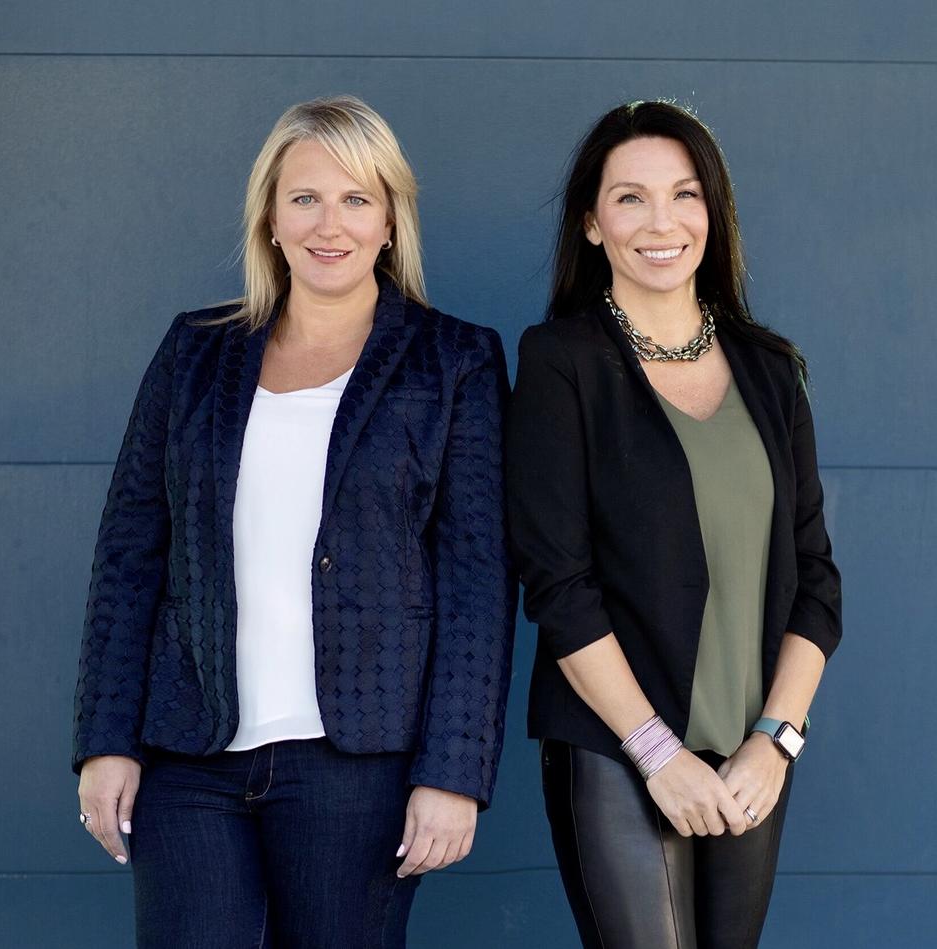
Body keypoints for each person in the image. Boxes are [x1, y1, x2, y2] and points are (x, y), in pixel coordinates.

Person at [72, 95, 516, 948]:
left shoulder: (454, 361)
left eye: (356, 199)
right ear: (270, 219)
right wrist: (104, 740)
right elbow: (130, 554)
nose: (329, 224)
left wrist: (455, 772)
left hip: (362, 767)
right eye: (305, 198)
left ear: (390, 221)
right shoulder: (194, 350)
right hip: (190, 758)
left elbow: (477, 583)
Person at [506, 100, 842, 949]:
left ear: (712, 212)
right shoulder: (561, 362)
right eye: (631, 198)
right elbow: (559, 586)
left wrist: (776, 740)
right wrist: (656, 750)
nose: (662, 222)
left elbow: (815, 579)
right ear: (592, 223)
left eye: (685, 194)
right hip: (617, 746)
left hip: (751, 752)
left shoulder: (771, 369)